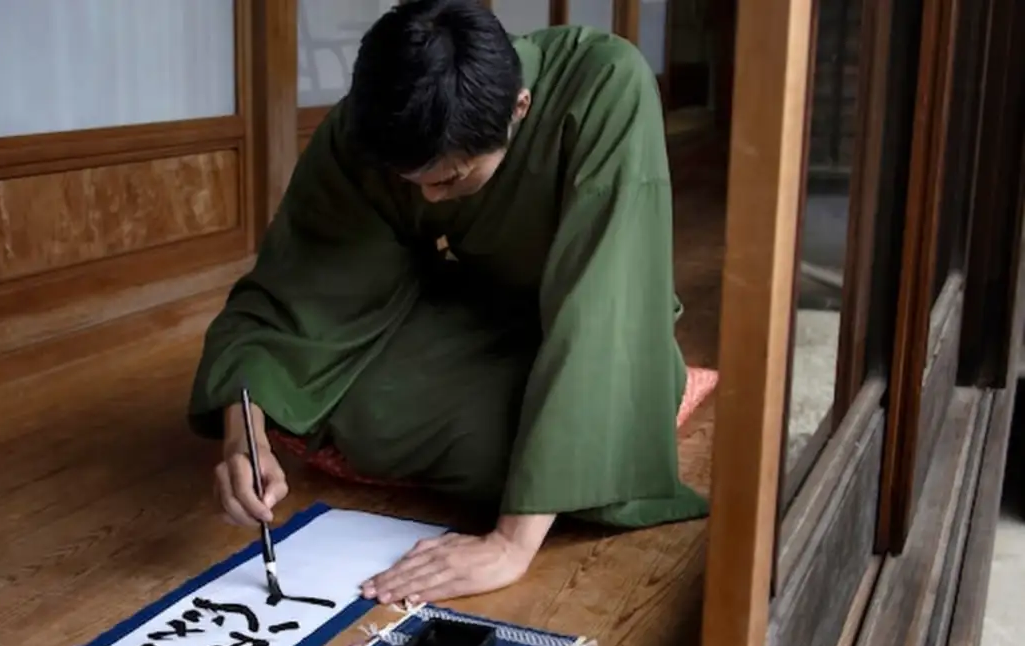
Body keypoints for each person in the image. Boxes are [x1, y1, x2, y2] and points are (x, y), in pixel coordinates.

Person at [188, 0, 707, 605]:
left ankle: (575, 456)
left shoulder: (607, 85)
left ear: (520, 109)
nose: (432, 200)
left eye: (452, 179)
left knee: (570, 431)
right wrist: (241, 436)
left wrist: (510, 545)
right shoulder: (368, 124)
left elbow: (604, 305)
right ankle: (553, 454)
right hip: (475, 308)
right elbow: (296, 292)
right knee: (363, 411)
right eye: (416, 183)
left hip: (602, 314)